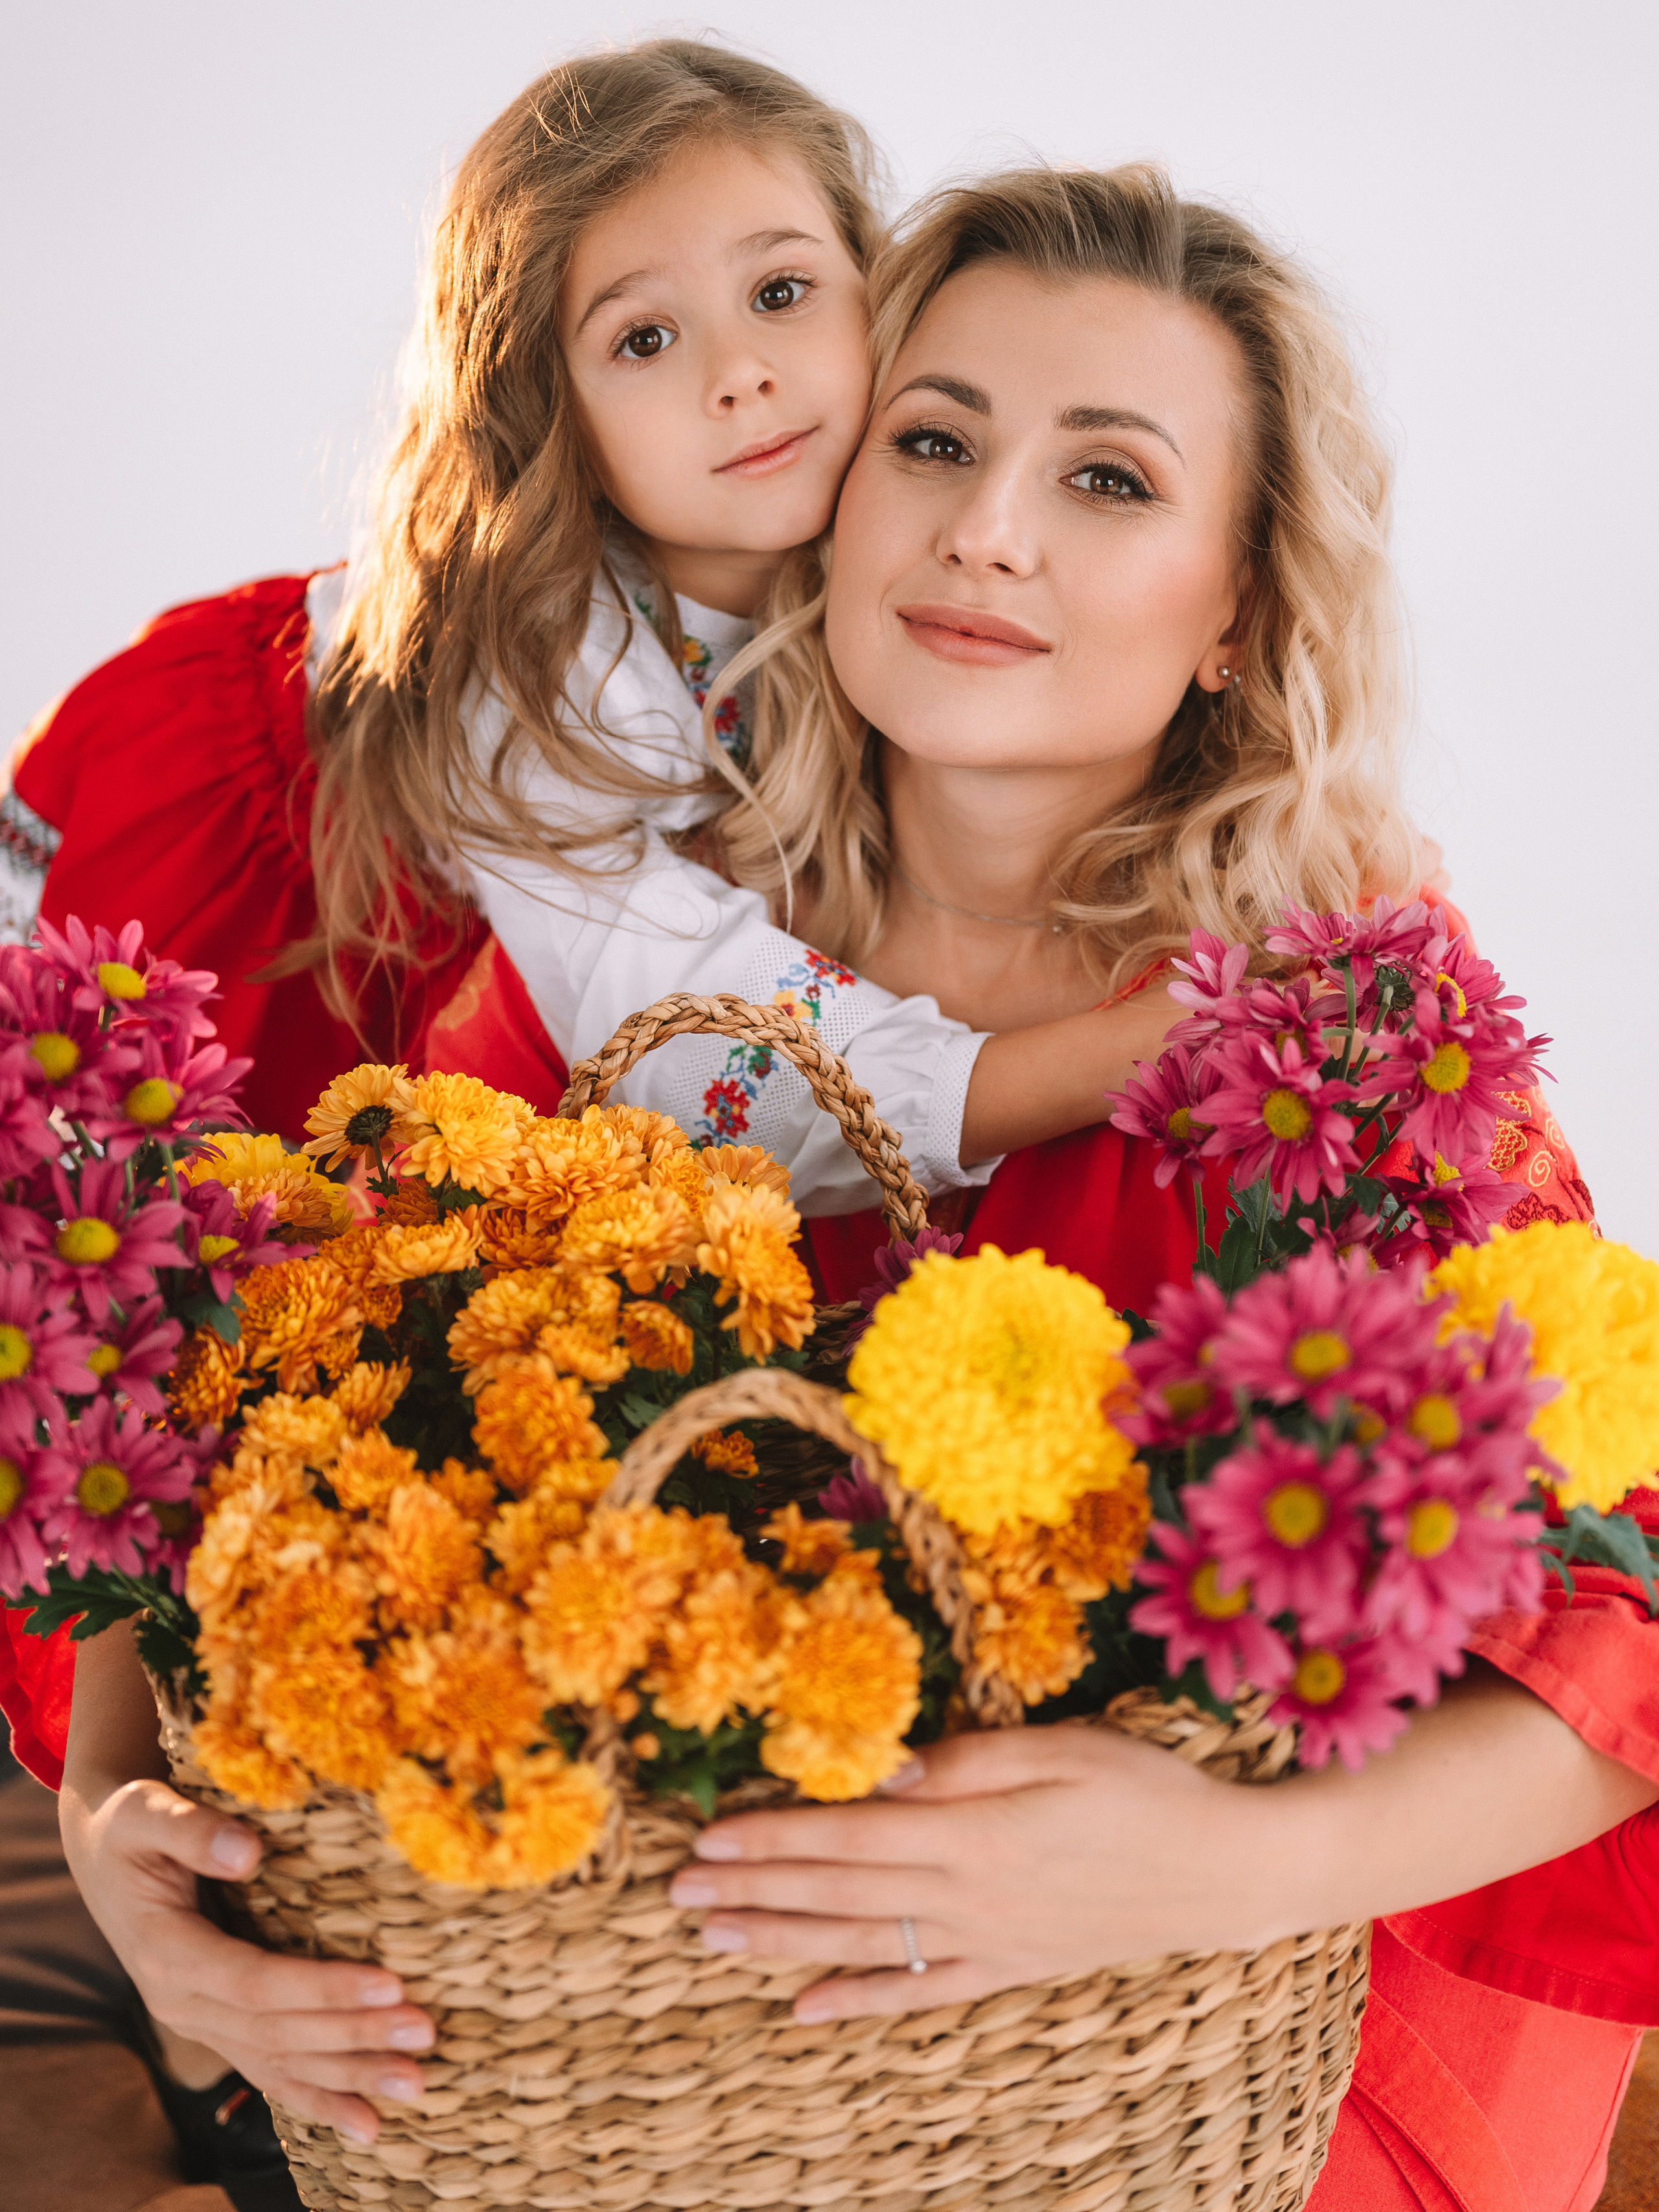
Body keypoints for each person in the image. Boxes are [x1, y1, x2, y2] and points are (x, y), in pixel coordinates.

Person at [51, 159, 1656, 2209]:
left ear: (1239, 607)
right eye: (938, 438)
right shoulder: (617, 972)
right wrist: (120, 1830)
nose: (987, 529)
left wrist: (1208, 1860)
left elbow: (1628, 1622)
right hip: (623, 2069)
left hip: (1175, 2071)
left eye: (1108, 480)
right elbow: (267, 1420)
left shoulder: (1339, 1054)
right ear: (834, 482)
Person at [11, 38, 1176, 1193]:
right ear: (550, 410)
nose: (741, 373)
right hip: (279, 893)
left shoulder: (921, 518)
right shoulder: (541, 670)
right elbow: (683, 1025)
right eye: (645, 339)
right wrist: (1110, 1054)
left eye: (781, 291)